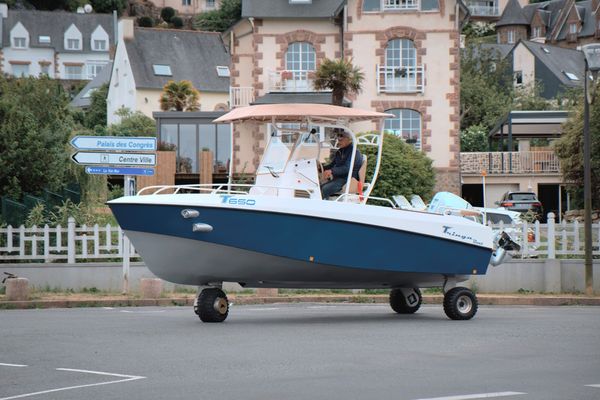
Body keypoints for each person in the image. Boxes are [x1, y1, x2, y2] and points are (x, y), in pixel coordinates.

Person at [320, 130, 363, 199]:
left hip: (348, 179)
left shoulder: (354, 152)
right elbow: (332, 165)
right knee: (320, 187)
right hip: (339, 178)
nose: (338, 142)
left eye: (341, 140)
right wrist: (320, 168)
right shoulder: (340, 151)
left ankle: (322, 206)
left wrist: (332, 171)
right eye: (338, 140)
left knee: (325, 189)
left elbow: (347, 168)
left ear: (348, 139)